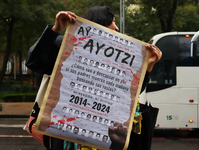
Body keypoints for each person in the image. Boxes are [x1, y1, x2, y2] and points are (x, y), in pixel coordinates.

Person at [26, 5, 162, 150]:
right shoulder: (67, 45)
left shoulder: (119, 58)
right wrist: (56, 29)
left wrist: (148, 67)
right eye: (113, 22)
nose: (116, 28)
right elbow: (34, 62)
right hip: (68, 137)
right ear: (100, 23)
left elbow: (129, 96)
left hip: (103, 137)